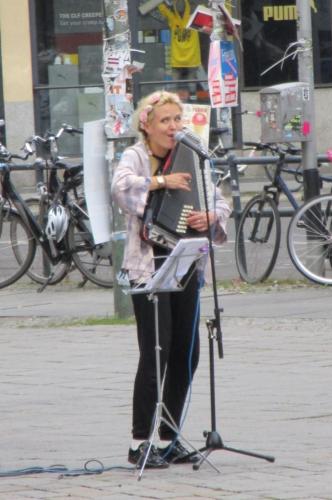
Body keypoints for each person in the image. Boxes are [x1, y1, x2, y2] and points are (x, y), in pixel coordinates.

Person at [111, 90, 230, 469]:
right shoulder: (136, 156)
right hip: (148, 266)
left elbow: (219, 200)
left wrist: (211, 217)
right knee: (155, 352)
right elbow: (121, 188)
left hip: (187, 264)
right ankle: (139, 442)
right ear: (146, 124)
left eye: (177, 120)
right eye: (165, 121)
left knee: (186, 353)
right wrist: (161, 182)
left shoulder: (192, 157)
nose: (173, 127)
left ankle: (169, 437)